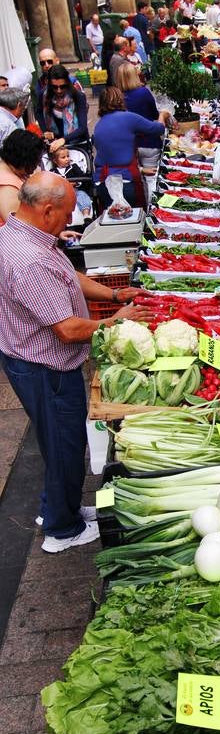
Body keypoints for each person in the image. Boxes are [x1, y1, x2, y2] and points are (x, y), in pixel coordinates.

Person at [0, 171, 152, 552]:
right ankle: (61, 530)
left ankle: (59, 508)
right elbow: (66, 330)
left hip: (35, 361)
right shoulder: (29, 260)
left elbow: (69, 277)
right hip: (45, 367)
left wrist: (115, 296)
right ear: (47, 210)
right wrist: (114, 322)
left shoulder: (22, 232)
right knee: (64, 444)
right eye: (67, 214)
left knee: (59, 443)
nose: (71, 220)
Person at [93, 87, 167, 209]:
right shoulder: (129, 118)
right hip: (126, 183)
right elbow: (158, 129)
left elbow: (113, 154)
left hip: (103, 184)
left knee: (113, 224)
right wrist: (163, 115)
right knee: (134, 223)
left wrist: (141, 169)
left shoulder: (98, 125)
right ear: (121, 100)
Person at [117, 63, 167, 197]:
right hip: (149, 141)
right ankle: (153, 207)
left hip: (130, 144)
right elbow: (155, 114)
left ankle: (143, 206)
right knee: (151, 179)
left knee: (137, 179)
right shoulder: (143, 92)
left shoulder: (118, 97)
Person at [0, 130, 46, 223]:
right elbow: (18, 226)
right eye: (36, 161)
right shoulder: (6, 186)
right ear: (25, 159)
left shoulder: (13, 171)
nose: (37, 166)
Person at [37, 65, 89, 146]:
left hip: (77, 142)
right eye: (55, 87)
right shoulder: (44, 95)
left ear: (67, 83)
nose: (59, 90)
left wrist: (64, 139)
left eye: (62, 86)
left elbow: (83, 127)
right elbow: (39, 112)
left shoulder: (78, 96)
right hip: (54, 142)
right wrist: (45, 131)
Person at [48, 145, 93, 226]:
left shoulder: (73, 167)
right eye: (63, 157)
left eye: (68, 156)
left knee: (82, 195)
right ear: (55, 160)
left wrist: (76, 183)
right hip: (60, 194)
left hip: (74, 191)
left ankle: (86, 215)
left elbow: (82, 178)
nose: (67, 159)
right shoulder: (53, 172)